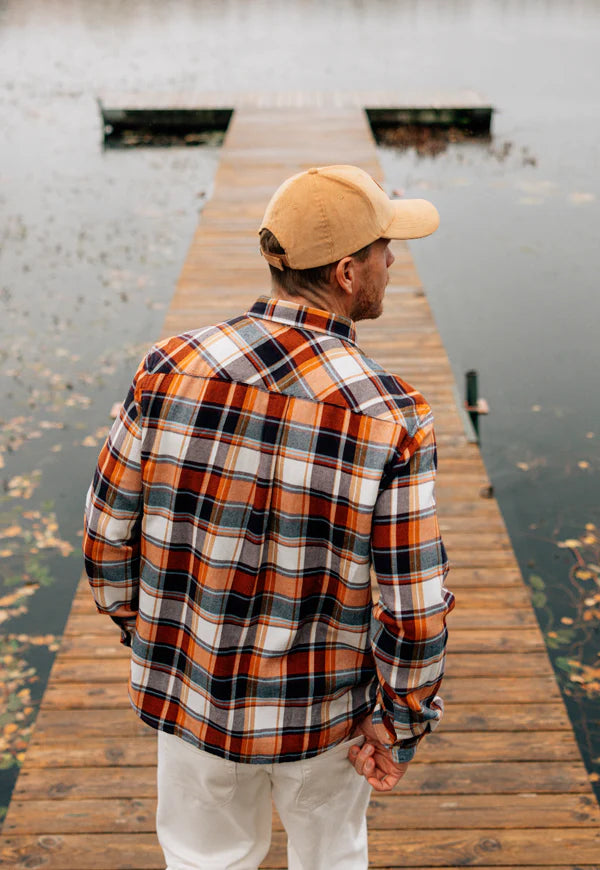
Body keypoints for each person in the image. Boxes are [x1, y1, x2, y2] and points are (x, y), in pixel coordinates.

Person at [83, 164, 454, 870]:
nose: (392, 262)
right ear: (348, 272)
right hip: (324, 718)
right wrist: (399, 724)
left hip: (190, 699)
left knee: (202, 861)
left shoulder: (166, 367)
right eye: (384, 250)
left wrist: (158, 638)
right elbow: (417, 610)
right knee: (331, 859)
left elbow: (106, 538)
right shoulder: (390, 415)